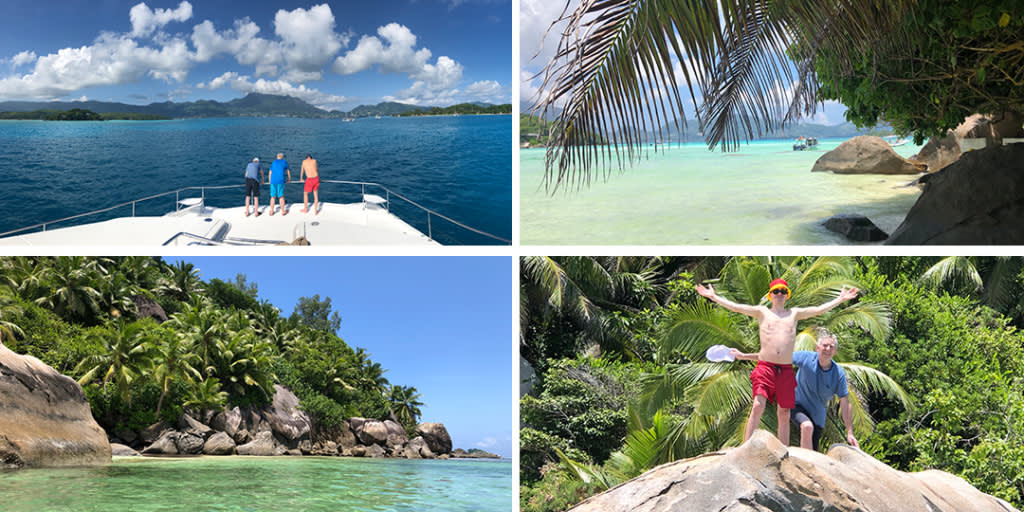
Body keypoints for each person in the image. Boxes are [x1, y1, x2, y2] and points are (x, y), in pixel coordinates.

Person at [696, 278, 858, 444]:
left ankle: (783, 449)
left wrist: (840, 299)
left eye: (782, 291)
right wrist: (714, 297)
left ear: (787, 295)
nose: (779, 294)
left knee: (785, 413)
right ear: (770, 295)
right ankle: (746, 445)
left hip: (786, 369)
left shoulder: (794, 314)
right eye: (776, 291)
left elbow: (817, 310)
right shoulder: (762, 312)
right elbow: (738, 308)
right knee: (758, 405)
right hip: (765, 366)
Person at [792, 334, 859, 451]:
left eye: (831, 347)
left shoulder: (838, 374)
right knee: (807, 426)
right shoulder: (805, 358)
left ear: (835, 351)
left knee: (813, 452)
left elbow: (845, 402)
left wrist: (850, 432)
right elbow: (780, 358)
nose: (828, 349)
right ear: (817, 347)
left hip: (817, 416)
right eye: (825, 345)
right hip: (796, 405)